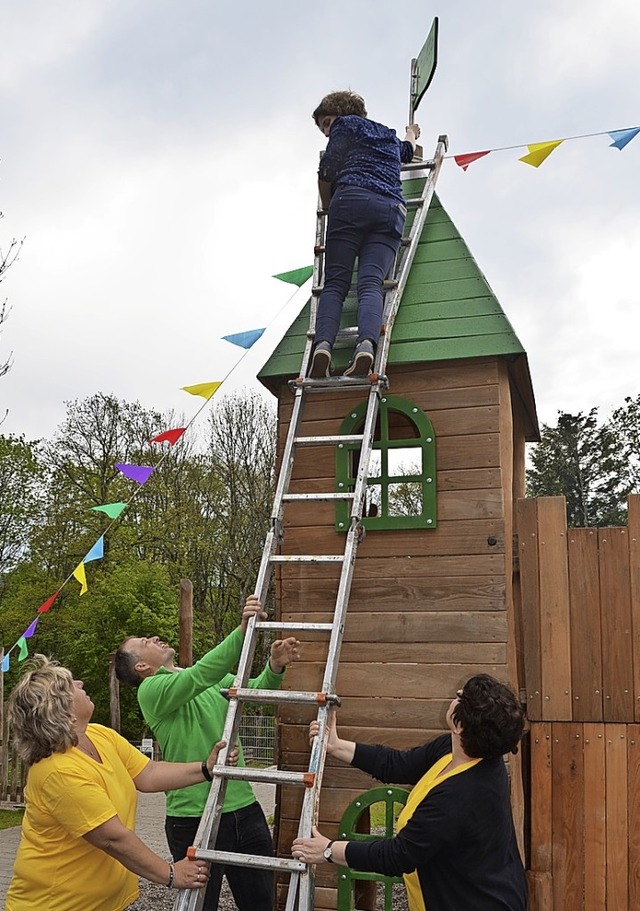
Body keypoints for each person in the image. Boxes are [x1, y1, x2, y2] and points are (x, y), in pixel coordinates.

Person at [115, 595, 300, 911]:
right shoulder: (151, 691)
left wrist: (275, 666)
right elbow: (200, 675)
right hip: (192, 817)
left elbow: (252, 691)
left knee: (261, 903)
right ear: (141, 666)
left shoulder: (206, 680)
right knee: (201, 906)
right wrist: (242, 631)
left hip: (244, 807)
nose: (156, 638)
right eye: (146, 641)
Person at [5, 654, 227, 911]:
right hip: (54, 904)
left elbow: (149, 773)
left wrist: (205, 769)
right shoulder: (57, 770)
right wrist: (171, 874)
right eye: (70, 685)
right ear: (57, 708)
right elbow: (112, 838)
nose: (80, 683)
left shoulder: (98, 735)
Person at [292, 673, 528, 911]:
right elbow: (398, 764)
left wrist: (329, 850)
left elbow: (398, 855)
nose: (455, 696)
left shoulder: (460, 796)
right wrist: (336, 745)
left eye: (460, 697)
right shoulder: (457, 749)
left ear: (459, 725)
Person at [309, 90, 421, 379]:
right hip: (390, 209)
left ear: (342, 112)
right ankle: (366, 347)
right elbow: (406, 152)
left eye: (326, 122)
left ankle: (322, 347)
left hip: (351, 201)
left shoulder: (345, 126)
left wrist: (328, 207)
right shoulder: (386, 134)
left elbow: (327, 171)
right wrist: (411, 134)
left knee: (335, 283)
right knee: (372, 283)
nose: (326, 130)